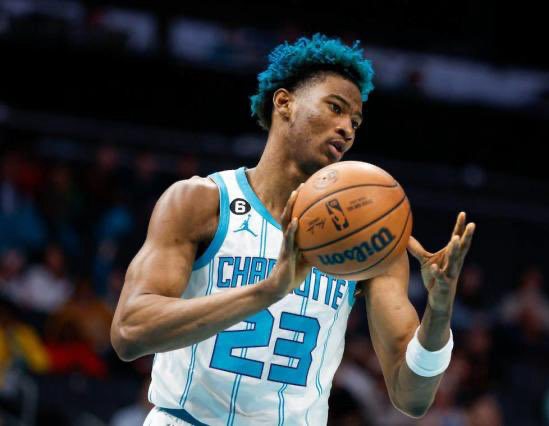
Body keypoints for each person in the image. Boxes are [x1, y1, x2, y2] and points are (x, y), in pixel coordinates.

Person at [111, 33, 475, 425]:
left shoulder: (370, 243)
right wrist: (266, 292)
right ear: (284, 102)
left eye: (354, 122)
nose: (346, 129)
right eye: (335, 108)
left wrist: (439, 311)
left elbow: (411, 398)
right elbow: (129, 332)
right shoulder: (200, 202)